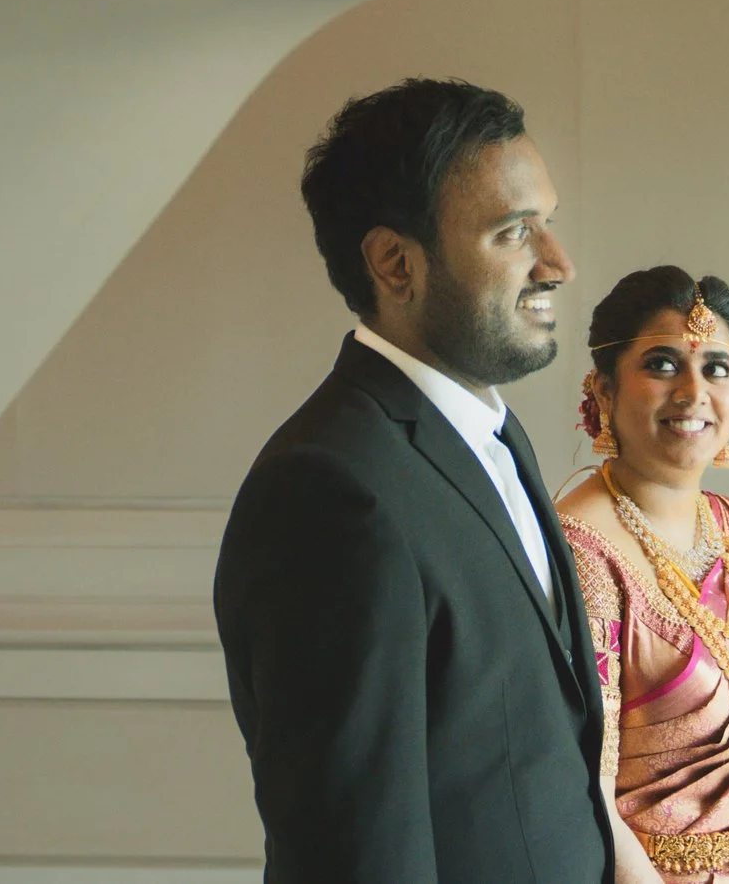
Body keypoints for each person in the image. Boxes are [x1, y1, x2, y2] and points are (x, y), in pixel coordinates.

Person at [214, 78, 615, 884]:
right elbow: (354, 856)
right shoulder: (328, 491)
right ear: (396, 262)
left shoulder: (494, 434)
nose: (559, 264)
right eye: (512, 232)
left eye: (550, 222)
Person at [555, 266, 729, 884]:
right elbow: (584, 790)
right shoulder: (577, 552)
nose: (693, 391)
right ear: (603, 390)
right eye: (661, 364)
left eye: (717, 367)